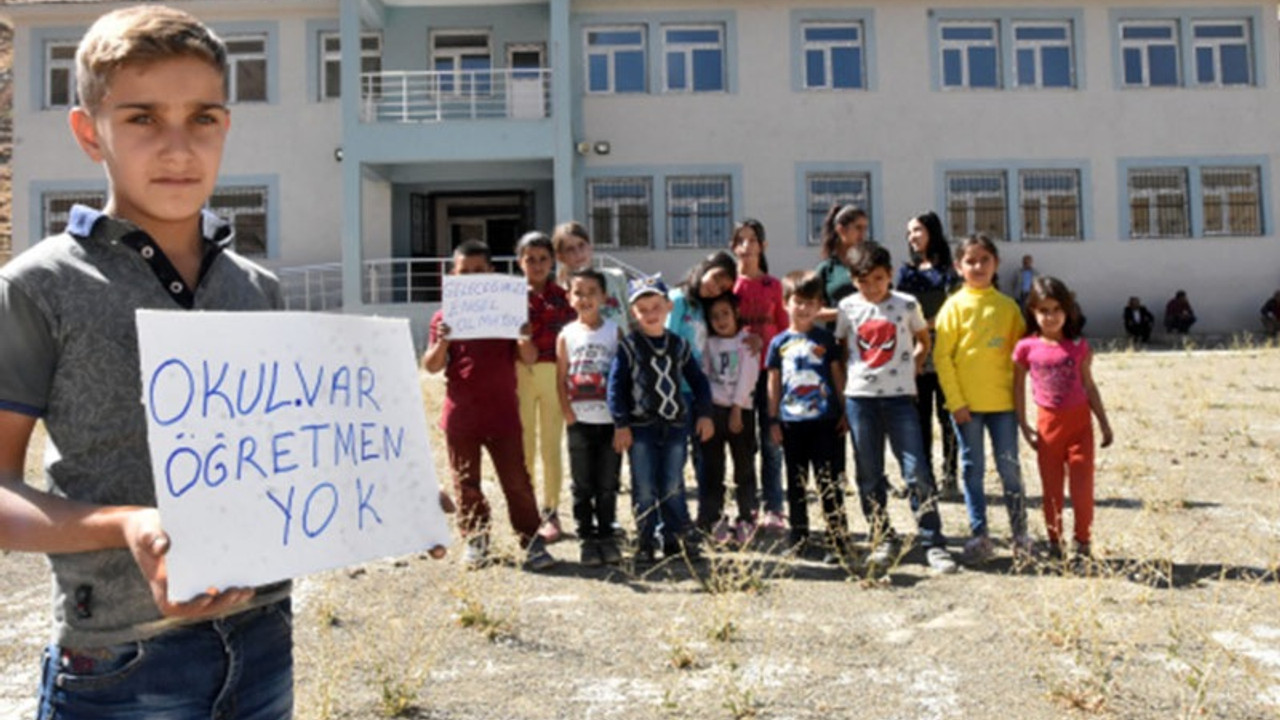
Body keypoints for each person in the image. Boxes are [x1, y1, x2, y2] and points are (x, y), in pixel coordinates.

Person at [0, 8, 446, 717]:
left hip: (265, 644)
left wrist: (390, 491)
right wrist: (127, 525)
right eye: (142, 118)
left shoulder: (256, 287)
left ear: (226, 127)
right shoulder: (37, 287)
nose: (178, 146)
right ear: (90, 133)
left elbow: (283, 457)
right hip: (123, 661)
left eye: (202, 118)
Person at [424, 240, 555, 572]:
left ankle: (531, 540)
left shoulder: (508, 312)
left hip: (503, 414)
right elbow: (431, 365)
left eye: (479, 271)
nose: (471, 277)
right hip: (461, 415)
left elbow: (529, 358)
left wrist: (523, 336)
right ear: (453, 275)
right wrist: (443, 341)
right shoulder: (444, 317)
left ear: (492, 272)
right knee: (466, 483)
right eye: (464, 272)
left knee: (516, 481)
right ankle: (476, 539)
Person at [838, 243, 958, 574]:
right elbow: (845, 348)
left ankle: (933, 541)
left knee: (916, 469)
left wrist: (916, 364)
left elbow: (924, 339)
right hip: (860, 400)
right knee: (869, 473)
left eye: (878, 279)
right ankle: (883, 537)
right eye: (864, 281)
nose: (872, 287)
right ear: (853, 280)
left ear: (890, 275)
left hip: (900, 399)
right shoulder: (847, 307)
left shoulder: (906, 305)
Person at [934, 234, 1032, 565]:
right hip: (967, 409)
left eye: (984, 260)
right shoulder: (953, 307)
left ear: (996, 264)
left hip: (1003, 405)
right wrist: (956, 402)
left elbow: (1022, 355)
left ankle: (1021, 534)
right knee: (971, 469)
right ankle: (979, 534)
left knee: (1010, 468)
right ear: (958, 267)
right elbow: (943, 358)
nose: (977, 266)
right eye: (970, 261)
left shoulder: (1008, 308)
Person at [608, 275, 714, 564]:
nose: (651, 314)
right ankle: (645, 540)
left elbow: (699, 381)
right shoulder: (629, 347)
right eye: (643, 309)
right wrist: (621, 423)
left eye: (656, 306)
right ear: (634, 313)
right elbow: (615, 387)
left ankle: (675, 537)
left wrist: (704, 413)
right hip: (640, 429)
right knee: (643, 485)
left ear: (668, 307)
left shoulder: (678, 345)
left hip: (676, 427)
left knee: (672, 483)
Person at [1014, 276, 1114, 564]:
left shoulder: (1079, 346)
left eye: (1057, 309)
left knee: (1082, 487)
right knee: (1052, 489)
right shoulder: (1026, 347)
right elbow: (1018, 388)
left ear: (1068, 311)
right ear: (1032, 312)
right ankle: (1054, 542)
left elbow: (1089, 385)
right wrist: (1024, 426)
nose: (1051, 316)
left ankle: (1083, 542)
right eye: (1043, 310)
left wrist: (1104, 423)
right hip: (1048, 429)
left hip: (1080, 426)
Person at [766, 270, 852, 562]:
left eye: (810, 303)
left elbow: (838, 375)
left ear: (819, 306)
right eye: (797, 302)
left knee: (828, 481)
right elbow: (774, 382)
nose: (803, 308)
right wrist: (773, 418)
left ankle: (838, 538)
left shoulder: (826, 340)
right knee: (796, 482)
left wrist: (844, 411)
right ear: (785, 304)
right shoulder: (778, 343)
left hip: (825, 422)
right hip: (792, 424)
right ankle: (799, 537)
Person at [556, 268, 622, 566]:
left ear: (604, 298)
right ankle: (586, 537)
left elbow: (623, 378)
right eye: (578, 293)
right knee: (582, 484)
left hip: (609, 422)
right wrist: (568, 413)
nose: (585, 298)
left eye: (591, 292)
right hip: (579, 421)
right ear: (569, 297)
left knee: (608, 483)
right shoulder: (567, 334)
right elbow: (560, 377)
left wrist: (622, 420)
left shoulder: (613, 331)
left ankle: (607, 535)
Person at [666, 250, 739, 516]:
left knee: (704, 456)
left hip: (701, 391)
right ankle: (677, 517)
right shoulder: (677, 300)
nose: (715, 288)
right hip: (677, 391)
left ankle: (708, 517)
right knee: (676, 457)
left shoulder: (704, 308)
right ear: (706, 266)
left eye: (722, 287)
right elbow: (666, 345)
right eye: (716, 278)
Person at [515, 231, 576, 542]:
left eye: (543, 259)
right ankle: (527, 512)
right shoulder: (509, 297)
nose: (537, 265)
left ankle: (551, 510)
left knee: (551, 445)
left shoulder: (563, 297)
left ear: (552, 261)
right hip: (520, 374)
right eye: (530, 260)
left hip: (553, 374)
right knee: (524, 444)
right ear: (519, 262)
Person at [895, 211, 961, 498]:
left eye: (918, 230)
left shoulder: (950, 271)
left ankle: (950, 475)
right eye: (909, 232)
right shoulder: (906, 272)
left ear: (932, 231)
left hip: (946, 351)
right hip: (916, 353)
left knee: (948, 418)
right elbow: (899, 311)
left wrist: (928, 323)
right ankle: (925, 478)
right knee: (918, 418)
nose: (913, 237)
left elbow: (957, 309)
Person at [731, 219, 790, 536]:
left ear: (762, 246)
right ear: (733, 246)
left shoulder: (773, 286)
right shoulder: (729, 286)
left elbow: (782, 329)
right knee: (745, 443)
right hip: (739, 375)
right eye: (741, 240)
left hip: (769, 372)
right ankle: (747, 506)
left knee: (772, 442)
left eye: (753, 240)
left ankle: (775, 507)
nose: (747, 246)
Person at [698, 293, 760, 546]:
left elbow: (748, 376)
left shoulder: (746, 342)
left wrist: (736, 407)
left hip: (740, 411)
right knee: (713, 467)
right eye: (714, 316)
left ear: (736, 313)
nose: (720, 320)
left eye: (725, 314)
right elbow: (704, 375)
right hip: (714, 411)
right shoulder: (708, 344)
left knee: (743, 466)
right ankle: (715, 519)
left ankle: (746, 517)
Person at [552, 220, 629, 328]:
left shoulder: (616, 278)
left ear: (590, 246)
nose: (578, 253)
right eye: (570, 249)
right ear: (560, 257)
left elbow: (634, 319)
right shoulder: (560, 293)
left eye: (581, 245)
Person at [814, 204, 870, 328]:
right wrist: (846, 312)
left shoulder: (870, 264)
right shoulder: (826, 269)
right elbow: (814, 311)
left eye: (865, 229)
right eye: (858, 228)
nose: (863, 234)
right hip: (836, 339)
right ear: (841, 230)